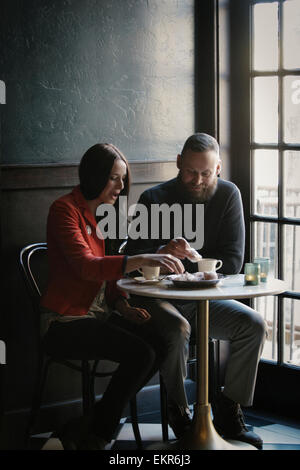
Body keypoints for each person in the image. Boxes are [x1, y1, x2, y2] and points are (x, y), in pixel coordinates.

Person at [125, 133, 267, 449]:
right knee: (177, 329)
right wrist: (164, 250)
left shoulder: (229, 195)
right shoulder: (153, 198)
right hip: (157, 298)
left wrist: (182, 265)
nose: (198, 180)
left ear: (218, 168)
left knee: (253, 325)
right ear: (179, 163)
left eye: (205, 173)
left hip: (202, 299)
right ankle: (180, 412)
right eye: (191, 172)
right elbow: (131, 259)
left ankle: (229, 410)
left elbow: (232, 261)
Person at [40, 143, 184, 450]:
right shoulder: (64, 209)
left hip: (100, 316)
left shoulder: (106, 215)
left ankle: (83, 428)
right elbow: (87, 267)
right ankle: (98, 434)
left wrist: (123, 305)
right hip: (65, 322)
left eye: (123, 179)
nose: (121, 186)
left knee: (159, 344)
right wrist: (144, 258)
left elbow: (110, 277)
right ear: (94, 176)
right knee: (141, 353)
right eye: (113, 178)